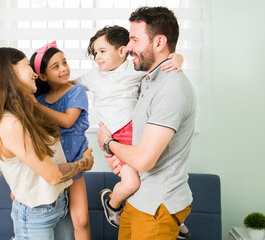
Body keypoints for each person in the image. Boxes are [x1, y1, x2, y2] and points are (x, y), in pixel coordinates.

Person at [75, 25, 188, 237]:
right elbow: (69, 86)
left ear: (121, 51)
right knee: (132, 182)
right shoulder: (93, 77)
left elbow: (162, 67)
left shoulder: (133, 70)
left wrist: (178, 58)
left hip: (138, 135)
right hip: (116, 139)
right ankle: (112, 204)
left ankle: (171, 215)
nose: (97, 57)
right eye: (95, 53)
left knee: (154, 171)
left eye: (102, 51)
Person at [0, 47, 94, 240]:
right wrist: (84, 163)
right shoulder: (10, 124)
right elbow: (53, 175)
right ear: (9, 73)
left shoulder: (29, 111)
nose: (35, 73)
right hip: (37, 216)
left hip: (59, 204)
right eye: (28, 66)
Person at [97, 6, 196, 240]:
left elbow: (143, 159)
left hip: (157, 206)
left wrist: (108, 143)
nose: (128, 46)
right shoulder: (149, 80)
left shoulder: (172, 88)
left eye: (134, 39)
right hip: (139, 198)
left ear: (159, 42)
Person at [30, 41, 91, 240]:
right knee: (49, 215)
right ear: (43, 76)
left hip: (74, 161)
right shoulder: (39, 99)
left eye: (64, 62)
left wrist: (36, 107)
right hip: (51, 163)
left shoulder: (76, 90)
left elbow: (67, 121)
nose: (64, 68)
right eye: (56, 66)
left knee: (81, 220)